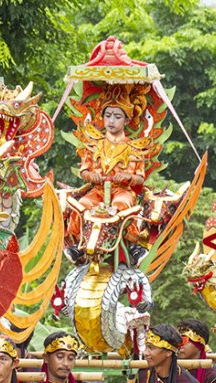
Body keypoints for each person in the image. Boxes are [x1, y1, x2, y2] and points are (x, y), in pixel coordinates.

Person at [66, 84, 159, 264]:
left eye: (117, 116)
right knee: (83, 204)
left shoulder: (134, 148)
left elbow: (140, 177)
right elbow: (84, 169)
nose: (111, 121)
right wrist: (90, 176)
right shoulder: (94, 145)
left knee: (122, 205)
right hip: (98, 190)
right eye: (108, 115)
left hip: (122, 191)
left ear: (126, 120)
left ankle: (133, 246)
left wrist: (128, 178)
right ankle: (78, 245)